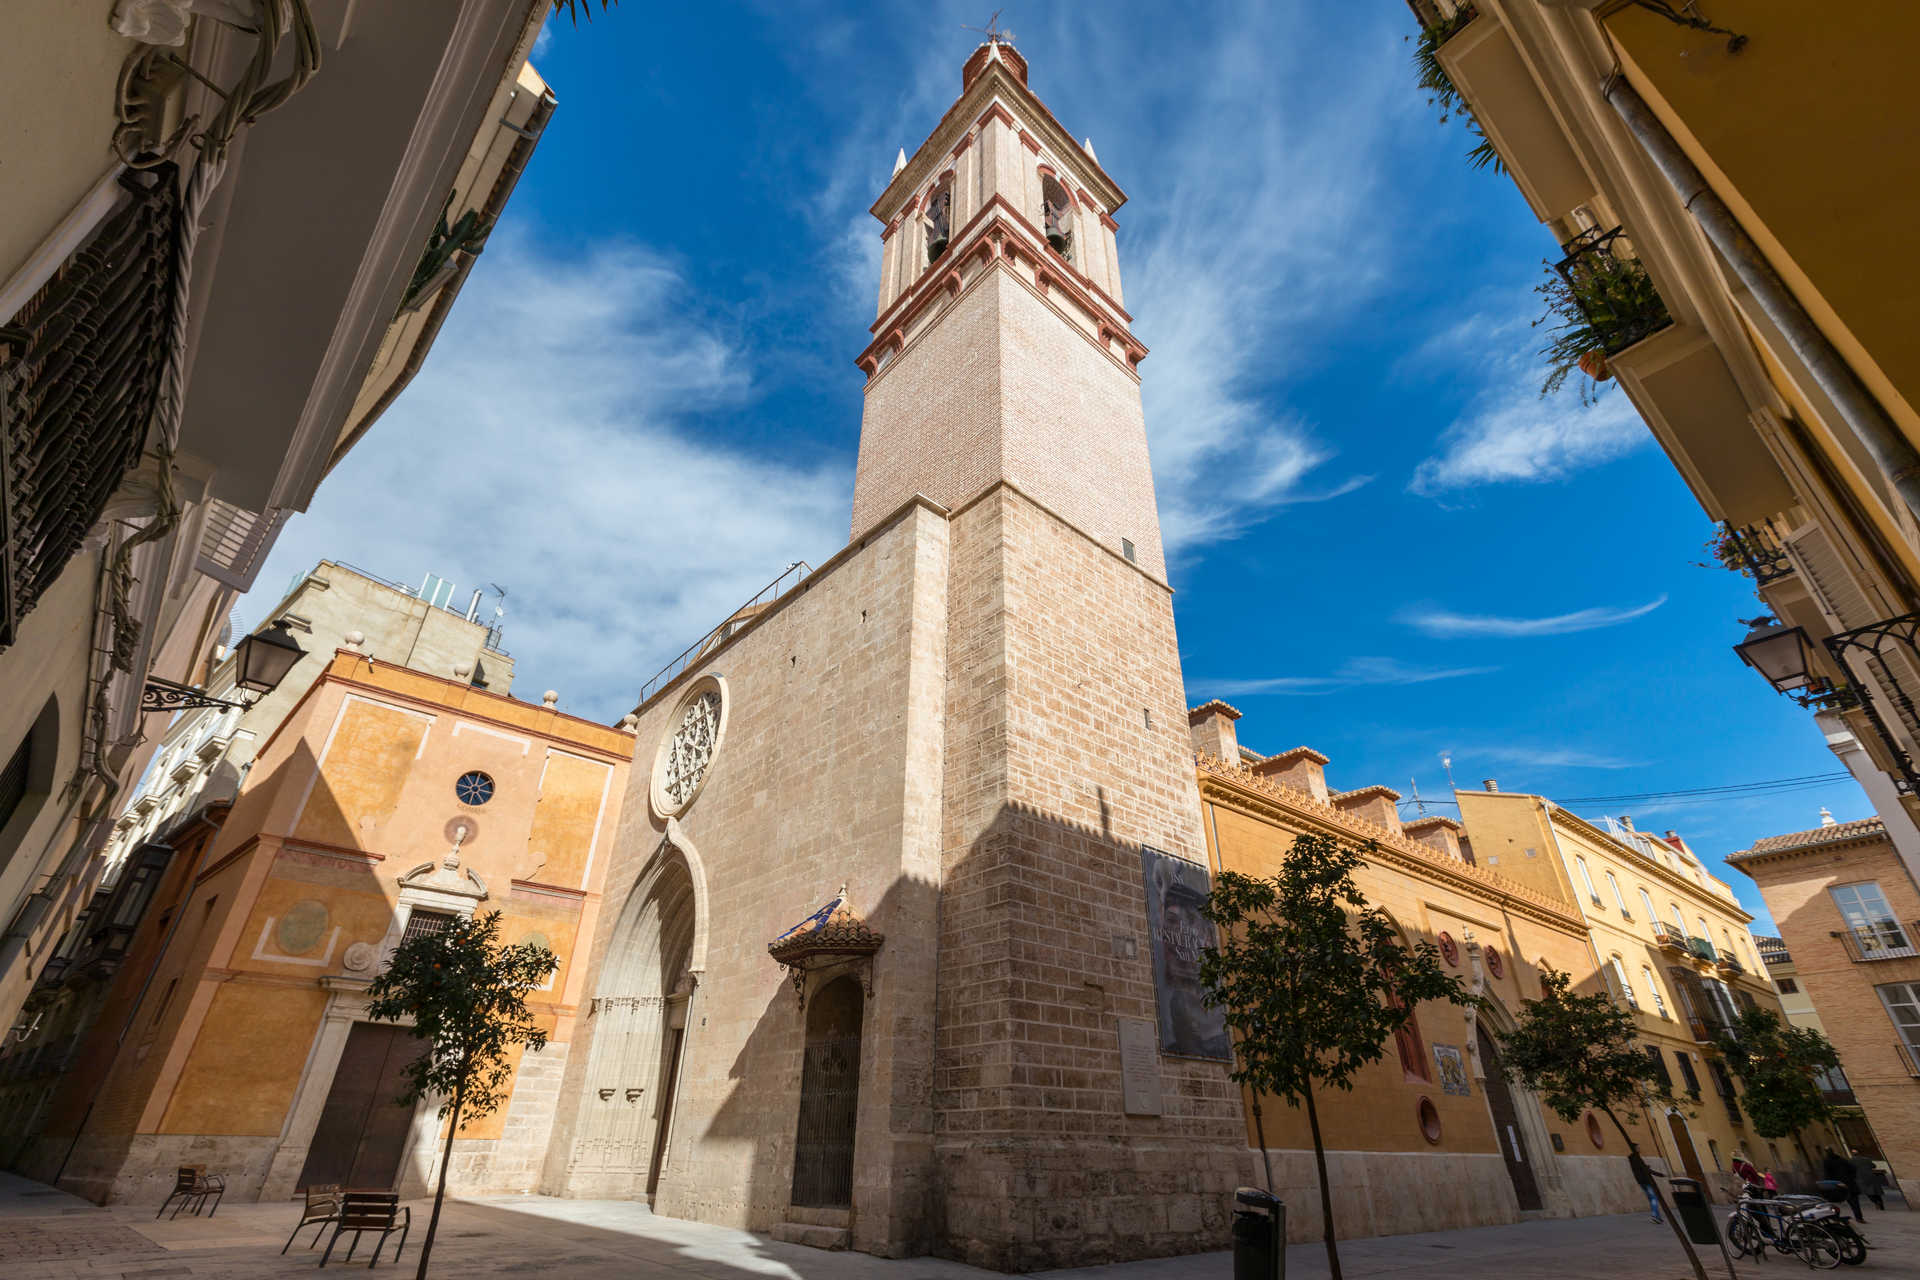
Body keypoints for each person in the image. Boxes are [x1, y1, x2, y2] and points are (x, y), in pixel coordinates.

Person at [1824, 1148, 1865, 1222]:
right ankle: (1859, 1217)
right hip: (1849, 1183)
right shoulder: (1842, 1159)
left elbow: (1827, 1174)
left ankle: (1836, 1218)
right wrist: (1851, 1177)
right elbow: (1853, 1168)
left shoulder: (1827, 1161)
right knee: (1854, 1201)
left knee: (1836, 1201)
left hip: (1838, 1184)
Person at [1628, 1148, 1664, 1224]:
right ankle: (1655, 1216)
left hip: (1641, 1182)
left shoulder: (1631, 1159)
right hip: (1646, 1181)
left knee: (1651, 1199)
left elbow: (1640, 1169)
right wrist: (1659, 1174)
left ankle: (1658, 1217)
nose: (1639, 1149)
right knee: (1653, 1198)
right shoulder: (1637, 1158)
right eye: (1637, 1147)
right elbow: (1645, 1170)